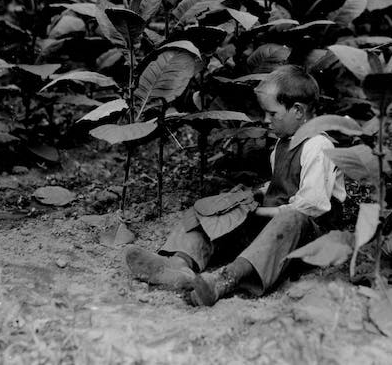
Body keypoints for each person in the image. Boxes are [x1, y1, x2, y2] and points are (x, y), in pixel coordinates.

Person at [123, 65, 346, 306]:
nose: (265, 120)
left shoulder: (318, 146)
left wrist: (259, 211)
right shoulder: (284, 142)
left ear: (298, 111)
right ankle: (178, 265)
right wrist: (253, 196)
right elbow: (285, 182)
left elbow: (311, 205)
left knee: (291, 219)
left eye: (272, 114)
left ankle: (224, 279)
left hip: (307, 237)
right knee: (218, 207)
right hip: (275, 227)